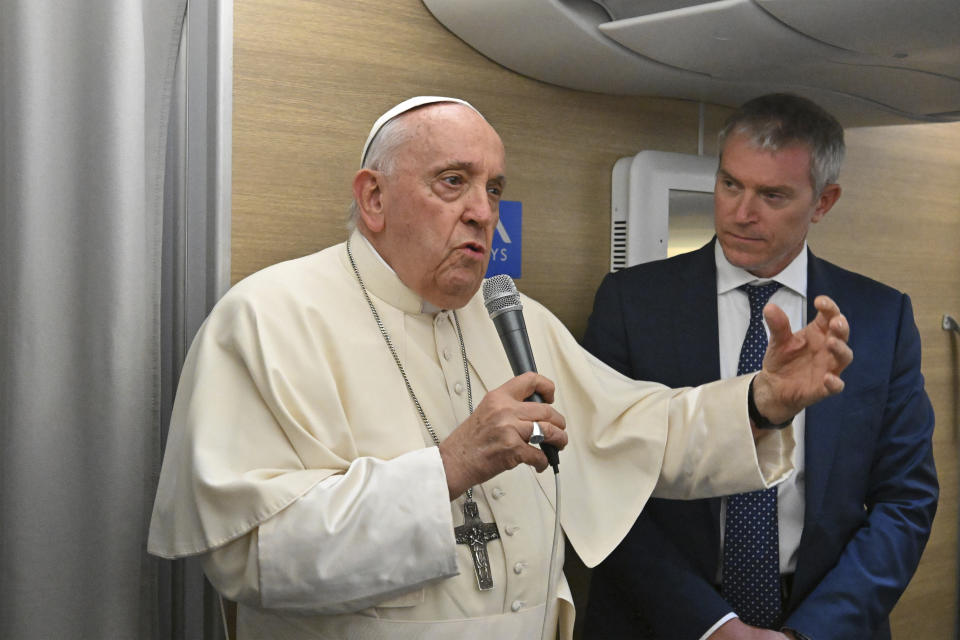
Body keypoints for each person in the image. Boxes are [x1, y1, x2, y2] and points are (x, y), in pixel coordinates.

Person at [147, 96, 853, 639]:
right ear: (373, 198)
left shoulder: (513, 315)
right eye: (453, 182)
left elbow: (642, 430)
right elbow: (253, 555)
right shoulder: (270, 317)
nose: (484, 212)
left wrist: (762, 400)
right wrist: (448, 467)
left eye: (492, 188)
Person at [581, 93, 938, 640]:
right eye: (730, 184)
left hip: (822, 617)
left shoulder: (878, 317)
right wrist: (715, 626)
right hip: (661, 619)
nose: (741, 212)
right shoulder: (632, 304)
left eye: (772, 195)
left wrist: (811, 632)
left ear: (823, 202)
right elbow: (602, 482)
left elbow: (905, 499)